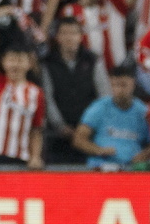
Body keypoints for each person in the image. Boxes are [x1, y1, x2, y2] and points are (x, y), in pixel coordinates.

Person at [41, 17, 109, 165]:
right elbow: (47, 97)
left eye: (73, 33)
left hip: (89, 132)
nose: (69, 37)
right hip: (58, 135)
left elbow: (104, 96)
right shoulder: (48, 62)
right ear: (57, 37)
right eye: (64, 33)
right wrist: (60, 125)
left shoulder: (93, 60)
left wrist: (89, 125)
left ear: (80, 36)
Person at [0, 44, 45, 168]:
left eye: (20, 60)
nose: (16, 65)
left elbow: (36, 129)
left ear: (29, 63)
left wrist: (35, 156)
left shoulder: (36, 93)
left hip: (19, 156)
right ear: (3, 62)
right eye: (11, 59)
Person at [72, 63, 150, 169]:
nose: (119, 90)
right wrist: (99, 150)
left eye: (123, 85)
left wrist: (144, 155)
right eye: (115, 85)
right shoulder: (99, 107)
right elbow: (79, 139)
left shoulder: (144, 111)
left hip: (133, 169)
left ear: (133, 84)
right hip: (100, 167)